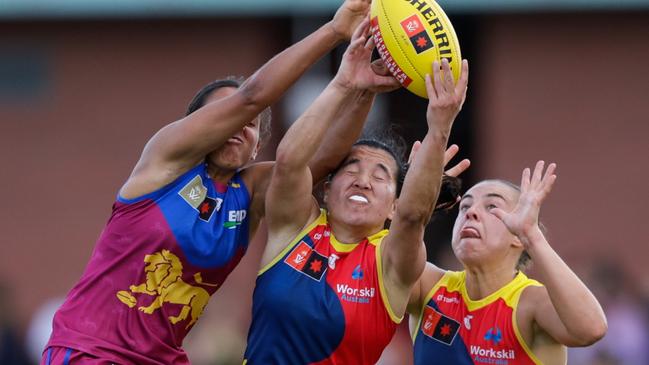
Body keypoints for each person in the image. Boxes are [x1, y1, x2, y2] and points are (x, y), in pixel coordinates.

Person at [42, 1, 380, 364]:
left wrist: (360, 88)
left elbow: (322, 160)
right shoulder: (165, 160)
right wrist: (333, 31)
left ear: (255, 147)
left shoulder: (249, 192)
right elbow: (252, 97)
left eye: (251, 127)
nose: (241, 127)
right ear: (198, 129)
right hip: (89, 350)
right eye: (228, 116)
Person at [242, 15, 470, 363]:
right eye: (351, 169)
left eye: (380, 176)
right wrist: (345, 83)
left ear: (393, 204)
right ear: (327, 189)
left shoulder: (391, 262)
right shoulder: (295, 229)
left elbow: (412, 218)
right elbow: (289, 161)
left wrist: (439, 127)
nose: (363, 179)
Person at [408, 161, 608, 364]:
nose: (471, 212)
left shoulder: (532, 303)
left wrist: (532, 237)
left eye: (492, 206)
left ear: (517, 236)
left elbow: (591, 329)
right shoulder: (429, 287)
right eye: (465, 206)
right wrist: (409, 205)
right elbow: (380, 268)